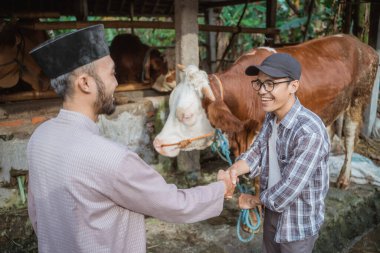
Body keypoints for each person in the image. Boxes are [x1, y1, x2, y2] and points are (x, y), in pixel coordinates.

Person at [27, 24, 235, 253]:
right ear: (85, 83)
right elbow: (174, 204)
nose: (116, 83)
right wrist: (220, 188)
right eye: (111, 74)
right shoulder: (113, 158)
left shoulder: (39, 138)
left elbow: (36, 215)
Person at [228, 53, 330, 253]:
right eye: (259, 83)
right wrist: (233, 170)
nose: (262, 91)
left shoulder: (309, 132)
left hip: (297, 223)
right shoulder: (271, 116)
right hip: (272, 211)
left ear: (293, 86)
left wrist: (253, 200)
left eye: (271, 84)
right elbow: (258, 150)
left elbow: (290, 188)